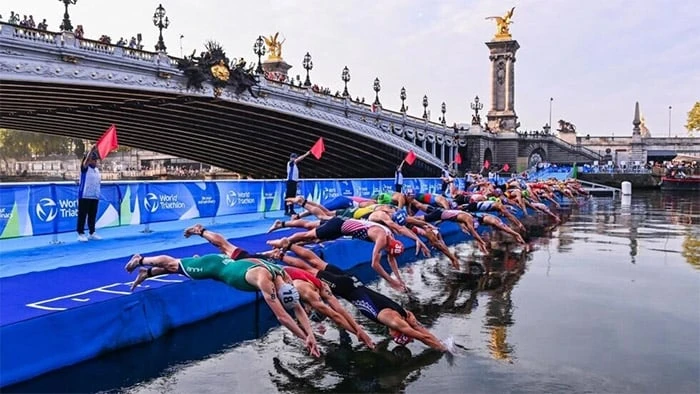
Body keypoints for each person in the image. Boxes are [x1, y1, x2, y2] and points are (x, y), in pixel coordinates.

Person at [182, 223, 375, 349]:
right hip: (262, 268)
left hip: (269, 266)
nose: (308, 310)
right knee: (225, 248)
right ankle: (200, 233)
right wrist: (358, 332)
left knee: (226, 246)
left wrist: (359, 330)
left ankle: (201, 234)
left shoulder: (316, 285)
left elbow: (337, 310)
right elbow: (335, 314)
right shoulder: (310, 294)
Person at [124, 252, 321, 358]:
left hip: (225, 264)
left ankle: (146, 274)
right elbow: (283, 317)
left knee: (183, 270)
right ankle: (141, 259)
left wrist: (310, 334)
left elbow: (296, 308)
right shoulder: (266, 282)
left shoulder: (283, 275)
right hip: (215, 266)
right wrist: (304, 338)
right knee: (174, 265)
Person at [276, 244, 453, 353]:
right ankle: (283, 251)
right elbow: (421, 337)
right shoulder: (392, 321)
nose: (390, 336)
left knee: (315, 264)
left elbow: (421, 329)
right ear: (398, 332)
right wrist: (443, 348)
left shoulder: (405, 314)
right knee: (311, 270)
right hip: (346, 288)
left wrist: (437, 339)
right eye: (395, 336)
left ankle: (285, 250)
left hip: (355, 282)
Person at [76, 147, 102, 242]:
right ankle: (80, 233)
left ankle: (92, 232)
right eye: (93, 160)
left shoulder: (97, 170)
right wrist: (91, 150)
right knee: (82, 215)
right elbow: (86, 160)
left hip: (94, 195)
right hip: (85, 195)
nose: (95, 162)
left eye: (96, 160)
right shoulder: (85, 168)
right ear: (89, 160)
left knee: (92, 215)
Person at [285, 151, 311, 216]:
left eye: (295, 157)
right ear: (291, 158)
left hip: (293, 182)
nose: (294, 159)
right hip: (290, 182)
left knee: (292, 197)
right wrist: (306, 154)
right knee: (288, 196)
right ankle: (286, 210)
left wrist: (296, 182)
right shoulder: (291, 163)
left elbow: (294, 175)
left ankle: (291, 210)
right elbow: (299, 159)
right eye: (293, 157)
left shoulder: (294, 166)